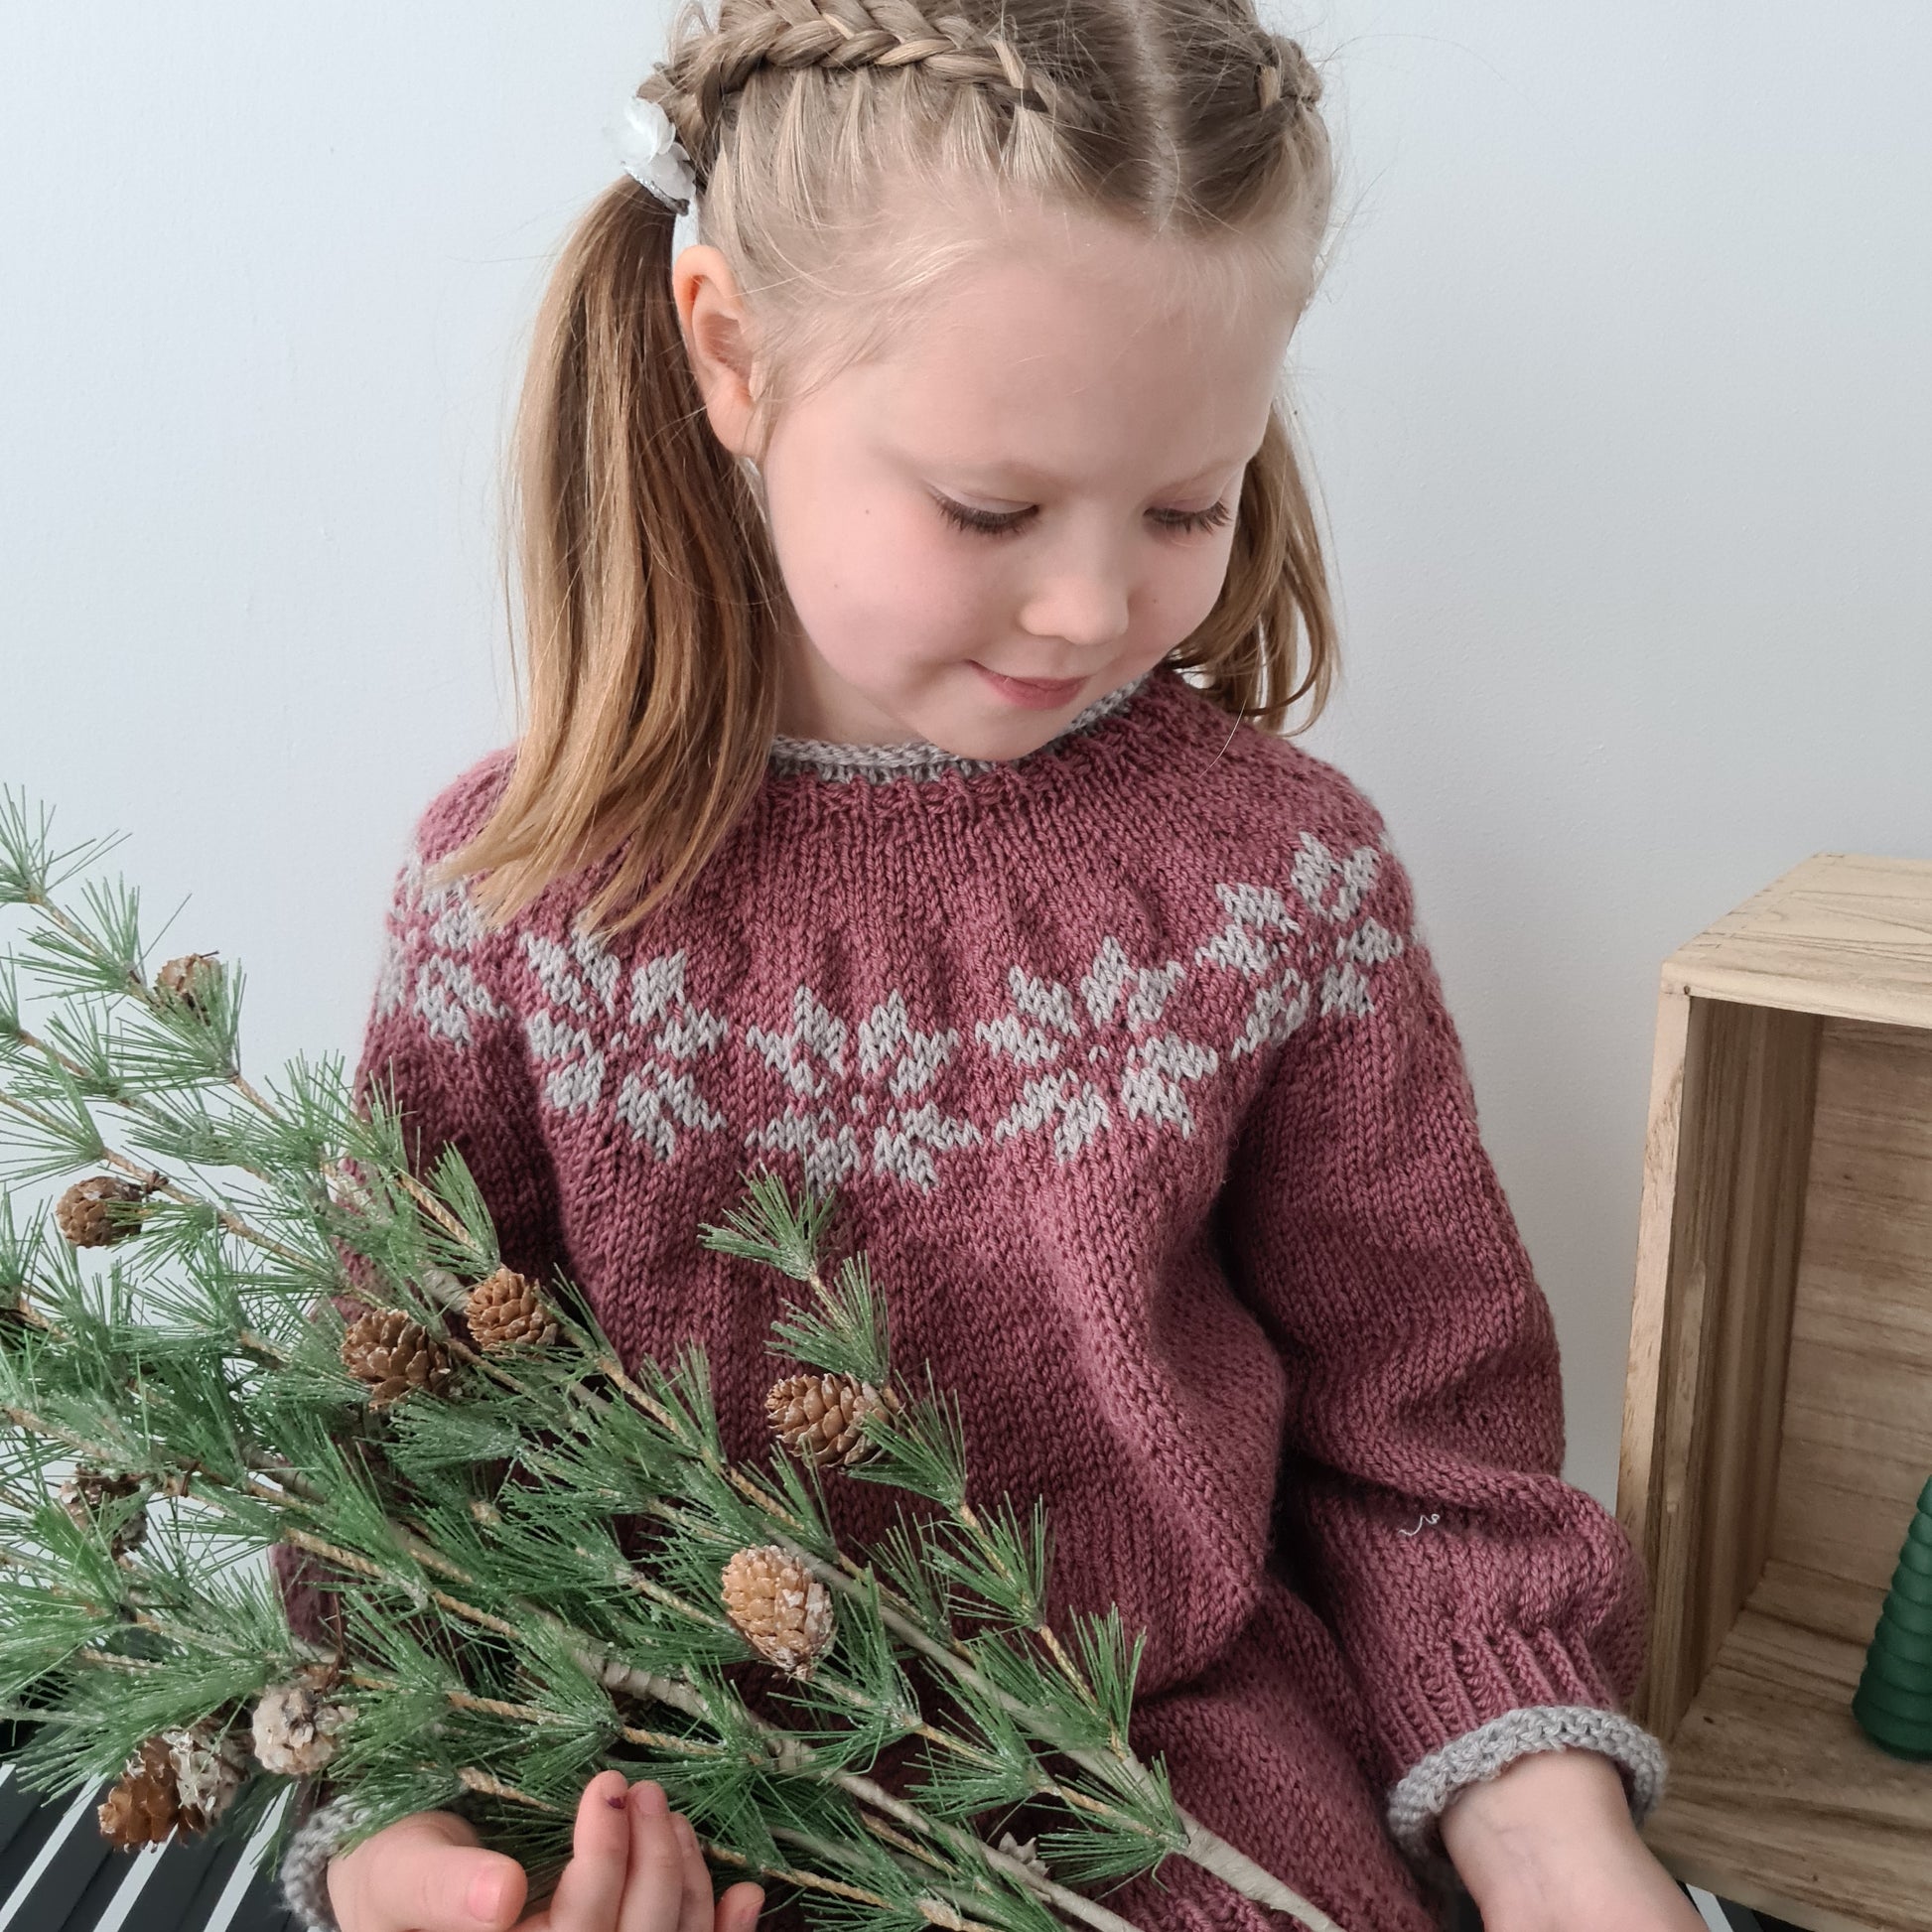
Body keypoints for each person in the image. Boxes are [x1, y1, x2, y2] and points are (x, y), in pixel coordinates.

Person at [283, 3, 1706, 1929]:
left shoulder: (1276, 881)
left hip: (1174, 1797)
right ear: (731, 354)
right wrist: (402, 1830)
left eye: (1186, 505)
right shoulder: (519, 905)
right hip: (681, 1800)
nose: (1089, 603)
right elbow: (402, 1455)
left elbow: (1424, 1443)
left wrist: (1557, 1849)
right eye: (989, 508)